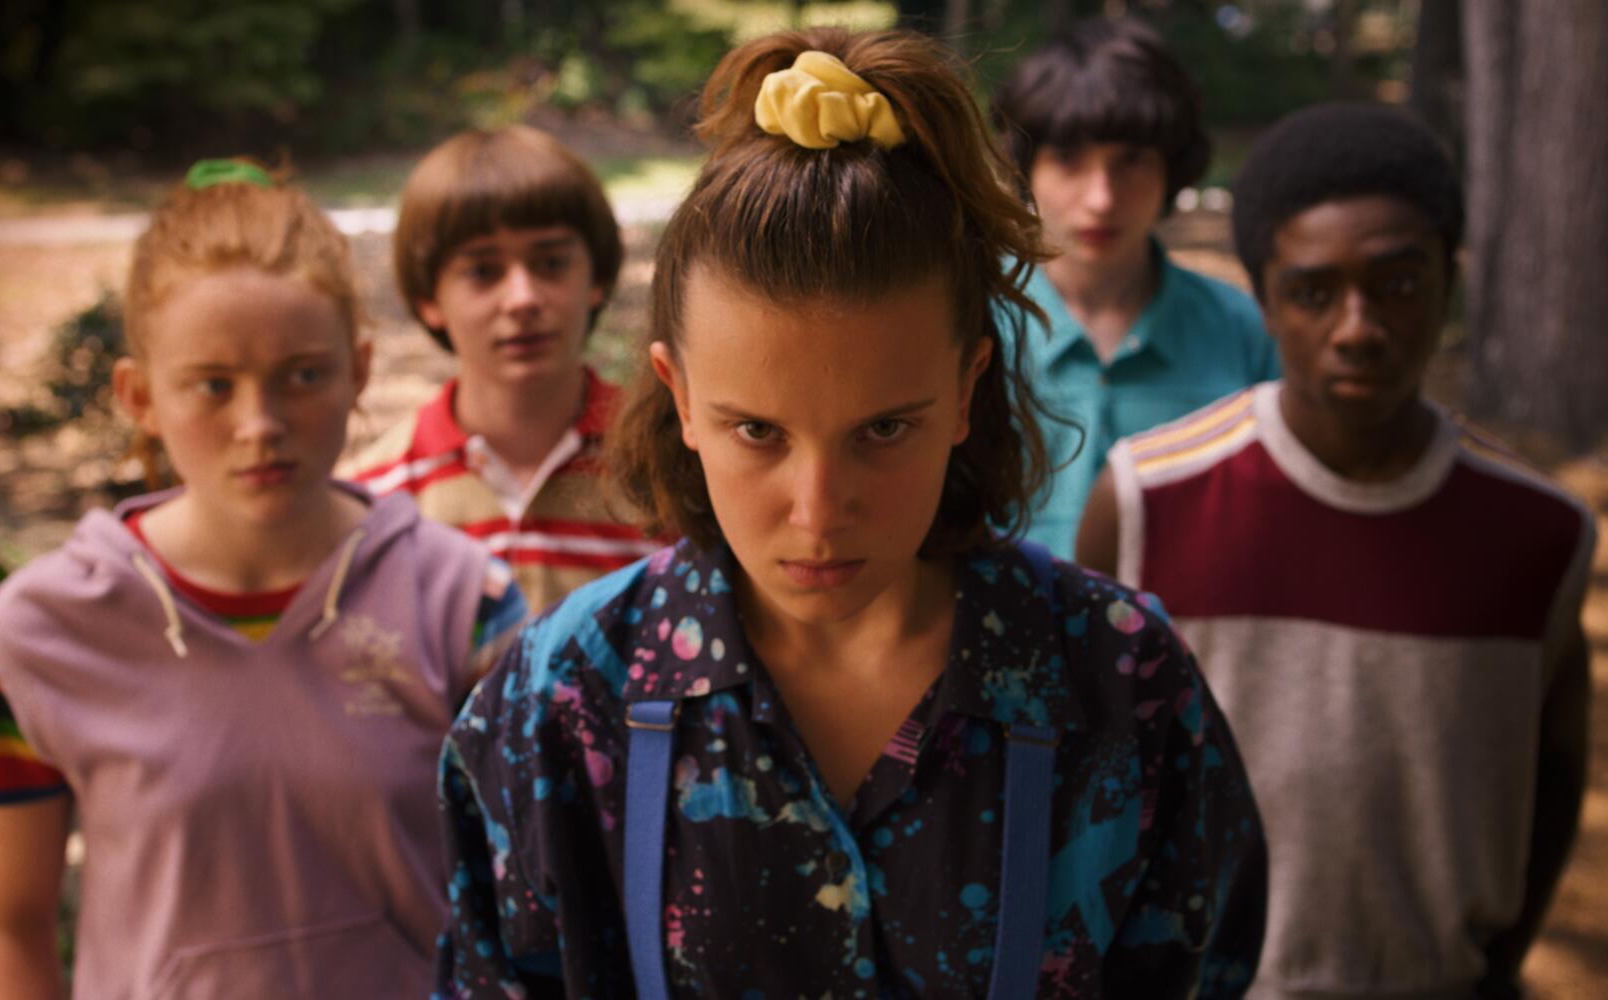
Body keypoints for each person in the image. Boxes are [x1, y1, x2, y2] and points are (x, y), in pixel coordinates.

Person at [437, 29, 1266, 998]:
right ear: (680, 396)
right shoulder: (560, 710)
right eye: (757, 431)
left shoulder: (1122, 691)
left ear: (966, 389)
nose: (818, 511)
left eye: (883, 430)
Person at [0, 159, 526, 999]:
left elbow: (532, 900)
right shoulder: (38, 635)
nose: (259, 425)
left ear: (358, 370)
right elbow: (6, 924)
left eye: (302, 375)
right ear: (140, 395)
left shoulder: (464, 605)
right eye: (212, 386)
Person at [1075, 103, 1594, 1000]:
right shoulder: (1148, 499)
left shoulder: (1540, 533)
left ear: (1447, 283)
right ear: (1267, 300)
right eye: (1315, 292)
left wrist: (1497, 966)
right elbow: (1088, 770)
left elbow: (1553, 769)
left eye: (1396, 284)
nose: (1358, 326)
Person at [993, 14, 1279, 558]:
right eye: (1070, 158)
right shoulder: (969, 323)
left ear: (1172, 170)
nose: (1101, 197)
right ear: (1025, 167)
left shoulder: (1247, 332)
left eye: (1131, 161)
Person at [346, 125, 660, 612]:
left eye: (551, 262)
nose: (523, 299)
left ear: (595, 276)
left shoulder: (667, 468)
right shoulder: (378, 500)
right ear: (430, 297)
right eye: (482, 272)